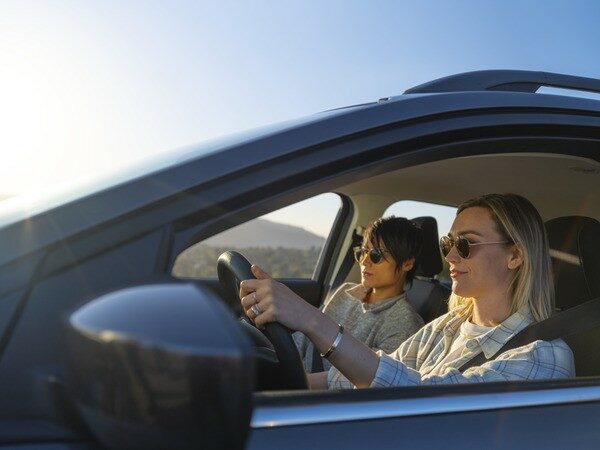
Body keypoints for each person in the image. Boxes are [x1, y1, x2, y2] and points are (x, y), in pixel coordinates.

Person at [241, 193, 575, 389]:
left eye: (465, 244)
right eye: (448, 243)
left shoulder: (541, 356)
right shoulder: (448, 326)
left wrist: (312, 321)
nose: (451, 255)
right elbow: (371, 373)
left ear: (515, 255)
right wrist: (275, 381)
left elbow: (428, 401)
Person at [293, 216, 424, 373]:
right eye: (363, 252)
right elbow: (303, 339)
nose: (364, 261)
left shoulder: (405, 324)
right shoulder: (346, 291)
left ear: (407, 263)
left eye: (376, 255)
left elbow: (371, 380)